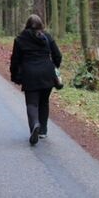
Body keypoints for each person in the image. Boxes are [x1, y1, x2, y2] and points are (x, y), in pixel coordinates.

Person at [10, 14, 62, 146]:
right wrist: (55, 66)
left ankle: (34, 124)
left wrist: (14, 75)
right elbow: (58, 55)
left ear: (27, 25)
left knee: (32, 103)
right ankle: (43, 130)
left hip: (30, 74)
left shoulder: (20, 39)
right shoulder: (47, 37)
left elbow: (15, 60)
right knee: (44, 101)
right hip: (47, 73)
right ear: (41, 25)